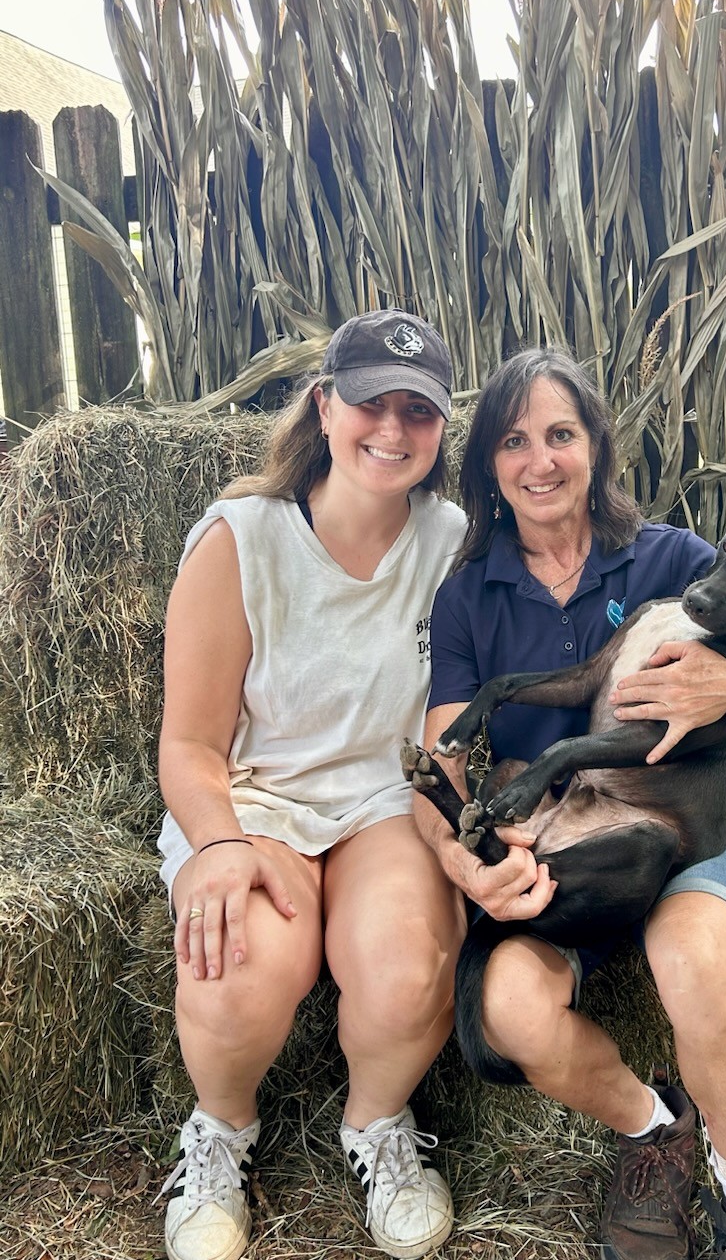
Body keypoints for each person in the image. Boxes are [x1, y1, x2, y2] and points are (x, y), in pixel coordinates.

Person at [415, 348, 726, 1260]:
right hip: (559, 838)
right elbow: (442, 757)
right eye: (514, 441)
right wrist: (461, 862)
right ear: (489, 464)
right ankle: (657, 1130)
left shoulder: (677, 561)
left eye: (561, 434)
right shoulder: (467, 595)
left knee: (692, 965)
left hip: (680, 833)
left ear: (597, 447)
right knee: (508, 1011)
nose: (540, 461)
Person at [156, 309, 468, 1260]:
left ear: (441, 428)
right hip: (255, 800)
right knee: (233, 969)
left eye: (418, 410)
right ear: (325, 406)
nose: (393, 428)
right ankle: (221, 1130)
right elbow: (189, 743)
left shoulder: (451, 541)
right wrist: (219, 843)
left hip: (387, 801)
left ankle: (377, 1125)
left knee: (410, 968)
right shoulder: (241, 540)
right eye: (371, 402)